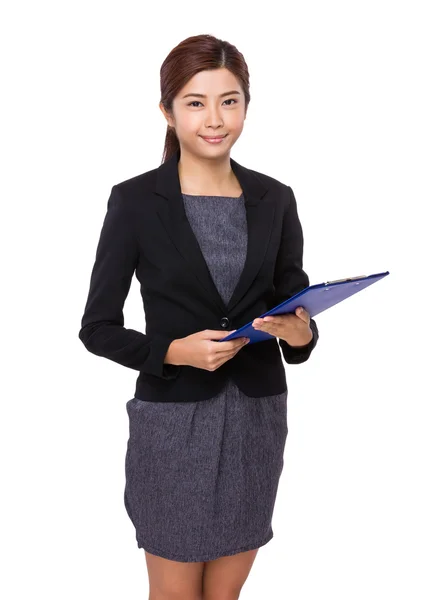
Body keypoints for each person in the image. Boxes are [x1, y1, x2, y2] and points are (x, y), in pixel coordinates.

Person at [78, 34, 319, 600]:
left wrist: (302, 332)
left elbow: (296, 303)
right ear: (167, 111)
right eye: (196, 102)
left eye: (230, 101)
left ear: (245, 106)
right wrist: (172, 351)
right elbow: (96, 327)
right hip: (174, 426)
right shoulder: (136, 201)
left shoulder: (275, 198)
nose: (215, 119)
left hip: (257, 421)